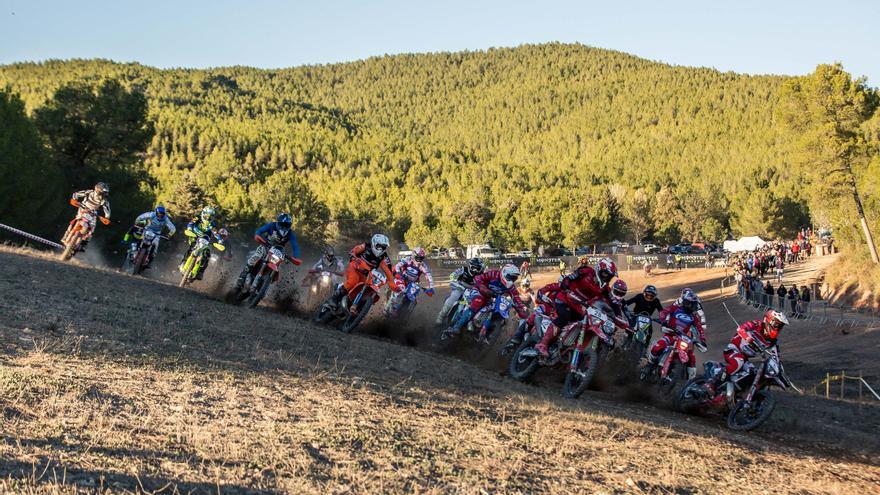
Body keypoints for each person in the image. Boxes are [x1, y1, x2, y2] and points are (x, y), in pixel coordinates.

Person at [533, 257, 619, 357]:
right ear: (599, 269)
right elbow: (568, 278)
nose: (607, 277)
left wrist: (618, 316)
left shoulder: (605, 289)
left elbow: (614, 303)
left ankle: (566, 347)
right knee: (564, 317)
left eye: (609, 276)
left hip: (579, 308)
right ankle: (543, 344)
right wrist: (566, 288)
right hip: (564, 299)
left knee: (584, 325)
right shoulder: (586, 271)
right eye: (605, 273)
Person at [445, 264, 528, 343]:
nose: (513, 280)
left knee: (500, 311)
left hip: (491, 298)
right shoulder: (493, 274)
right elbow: (478, 278)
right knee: (478, 301)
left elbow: (516, 298)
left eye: (514, 278)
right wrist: (483, 288)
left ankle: (486, 335)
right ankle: (456, 327)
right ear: (505, 273)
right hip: (479, 291)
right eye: (511, 277)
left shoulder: (512, 287)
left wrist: (522, 308)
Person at [710, 310, 790, 389]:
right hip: (733, 350)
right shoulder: (756, 324)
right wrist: (748, 338)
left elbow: (776, 358)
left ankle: (737, 393)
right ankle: (712, 383)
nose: (778, 328)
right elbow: (740, 329)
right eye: (777, 325)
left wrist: (782, 375)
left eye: (780, 326)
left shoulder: (772, 342)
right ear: (769, 320)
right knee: (738, 361)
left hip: (745, 359)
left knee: (753, 373)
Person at [645, 291, 707, 380]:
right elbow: (663, 312)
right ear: (687, 303)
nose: (694, 306)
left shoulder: (694, 317)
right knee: (657, 346)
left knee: (691, 357)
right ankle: (650, 364)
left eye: (695, 304)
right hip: (670, 335)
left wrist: (703, 340)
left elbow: (700, 329)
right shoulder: (675, 308)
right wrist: (664, 321)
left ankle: (690, 381)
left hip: (683, 339)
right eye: (692, 304)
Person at [328, 234, 399, 307]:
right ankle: (334, 298)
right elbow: (353, 251)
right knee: (353, 281)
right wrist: (354, 257)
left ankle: (358, 307)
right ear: (374, 243)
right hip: (355, 267)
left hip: (367, 274)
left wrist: (395, 286)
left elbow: (389, 273)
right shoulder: (366, 246)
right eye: (379, 246)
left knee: (369, 287)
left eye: (383, 247)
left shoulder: (384, 257)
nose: (381, 249)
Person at [234, 213, 301, 290]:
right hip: (266, 246)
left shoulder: (290, 233)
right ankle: (242, 277)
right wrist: (259, 237)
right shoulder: (272, 225)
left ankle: (266, 283)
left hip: (278, 251)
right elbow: (259, 231)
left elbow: (295, 246)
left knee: (279, 266)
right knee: (254, 259)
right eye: (283, 224)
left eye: (287, 225)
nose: (284, 226)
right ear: (278, 222)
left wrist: (296, 257)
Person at [435, 257, 485, 325]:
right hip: (460, 288)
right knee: (453, 298)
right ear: (470, 266)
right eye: (473, 267)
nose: (475, 270)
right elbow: (452, 275)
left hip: (473, 291)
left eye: (478, 268)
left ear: (481, 269)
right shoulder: (463, 269)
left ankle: (470, 323)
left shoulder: (482, 275)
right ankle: (441, 316)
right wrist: (454, 280)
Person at [386, 247, 435, 314]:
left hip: (413, 283)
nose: (419, 260)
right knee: (399, 290)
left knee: (413, 297)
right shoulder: (407, 259)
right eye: (418, 257)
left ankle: (406, 315)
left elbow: (428, 275)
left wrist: (431, 287)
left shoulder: (423, 265)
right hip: (402, 278)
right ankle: (387, 308)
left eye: (421, 258)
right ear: (414, 255)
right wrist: (398, 273)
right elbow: (398, 266)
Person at [178, 206, 224, 277]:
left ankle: (201, 272)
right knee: (191, 248)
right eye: (206, 216)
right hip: (194, 235)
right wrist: (189, 229)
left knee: (207, 255)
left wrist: (220, 240)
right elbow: (191, 223)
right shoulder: (197, 217)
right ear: (203, 213)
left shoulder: (212, 224)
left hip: (205, 239)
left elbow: (215, 233)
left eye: (210, 217)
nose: (208, 218)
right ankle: (182, 263)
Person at [64, 182, 111, 248]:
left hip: (93, 213)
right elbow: (76, 194)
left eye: (105, 193)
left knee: (92, 228)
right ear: (98, 190)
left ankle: (84, 243)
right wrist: (74, 199)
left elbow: (107, 210)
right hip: (83, 208)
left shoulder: (104, 201)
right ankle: (67, 234)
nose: (105, 194)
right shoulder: (89, 192)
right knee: (77, 218)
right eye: (104, 192)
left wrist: (106, 217)